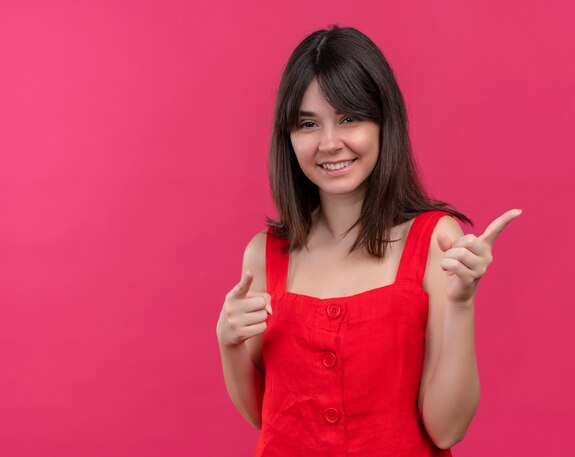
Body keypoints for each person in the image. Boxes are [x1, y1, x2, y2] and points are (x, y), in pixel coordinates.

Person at [216, 25, 521, 456]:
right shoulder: (265, 256)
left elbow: (446, 430)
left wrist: (461, 302)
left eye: (349, 118)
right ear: (288, 136)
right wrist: (228, 343)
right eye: (307, 123)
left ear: (383, 122)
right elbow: (264, 417)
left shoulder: (435, 240)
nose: (329, 143)